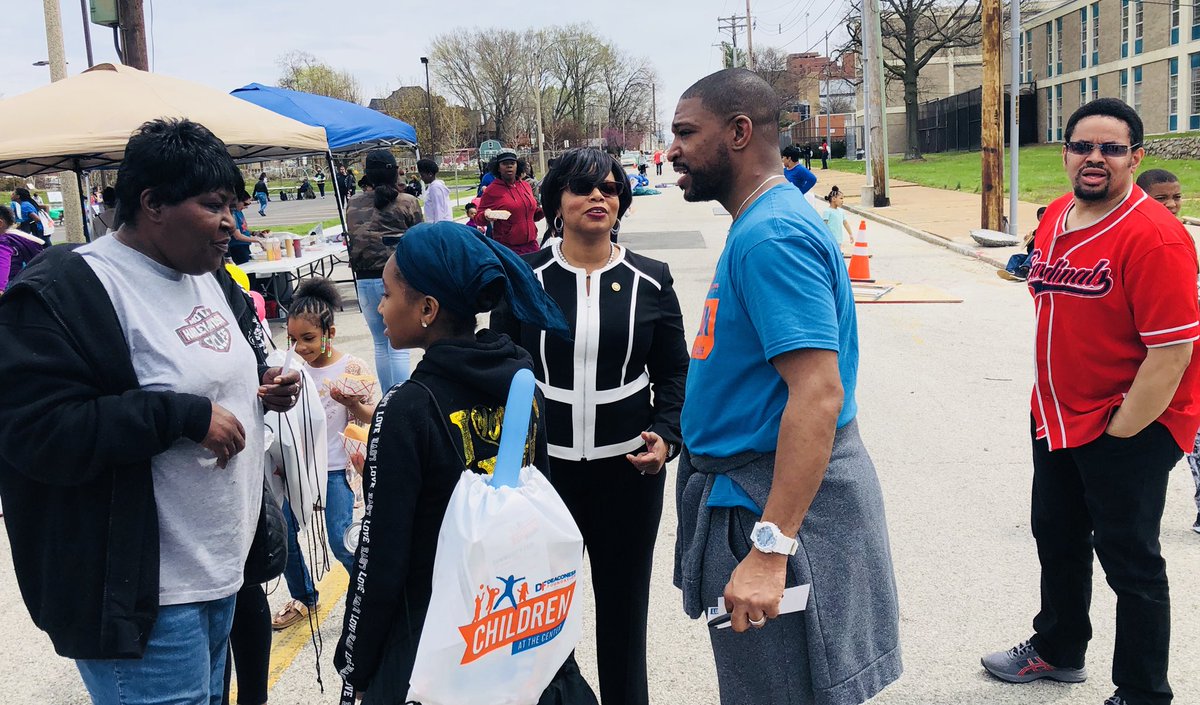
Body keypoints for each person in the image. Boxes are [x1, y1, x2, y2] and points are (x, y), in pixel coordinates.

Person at [0, 118, 301, 705]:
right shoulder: (67, 290)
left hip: (221, 576)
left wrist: (263, 387)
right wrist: (181, 417)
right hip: (147, 601)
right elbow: (36, 433)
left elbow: (222, 368)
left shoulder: (209, 275)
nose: (230, 225)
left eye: (233, 207)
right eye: (214, 206)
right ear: (152, 203)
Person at [668, 68, 901, 705]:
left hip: (771, 505)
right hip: (750, 492)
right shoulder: (761, 220)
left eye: (686, 133)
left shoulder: (772, 234)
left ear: (739, 133)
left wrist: (770, 550)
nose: (671, 150)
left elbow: (818, 394)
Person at [981, 99, 1200, 705]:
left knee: (1130, 562)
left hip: (1128, 421)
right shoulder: (1056, 215)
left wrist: (1123, 431)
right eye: (1083, 146)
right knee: (1057, 534)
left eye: (1110, 148)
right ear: (1066, 153)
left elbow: (1172, 354)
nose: (1094, 158)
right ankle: (1058, 648)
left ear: (1136, 156)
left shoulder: (1157, 237)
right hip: (1055, 411)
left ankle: (1142, 693)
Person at [333, 221, 571, 705]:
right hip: (508, 632)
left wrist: (354, 662)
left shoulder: (407, 407)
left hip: (430, 645)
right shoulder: (523, 383)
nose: (379, 307)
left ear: (426, 309)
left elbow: (381, 554)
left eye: (387, 293)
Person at [493, 147, 689, 705]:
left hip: (628, 474)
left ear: (622, 201)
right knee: (536, 621)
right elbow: (499, 363)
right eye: (582, 188)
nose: (598, 196)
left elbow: (675, 371)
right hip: (543, 479)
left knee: (624, 620)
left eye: (608, 187)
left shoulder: (651, 280)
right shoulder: (526, 277)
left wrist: (666, 435)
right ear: (556, 201)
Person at [271, 278, 375, 631]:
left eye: (309, 338)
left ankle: (371, 596)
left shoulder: (352, 368)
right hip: (295, 470)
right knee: (281, 536)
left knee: (341, 539)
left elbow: (374, 419)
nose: (300, 348)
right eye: (293, 339)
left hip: (334, 470)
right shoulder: (287, 368)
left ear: (330, 332)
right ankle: (304, 596)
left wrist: (354, 404)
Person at [1136, 169, 1200, 534]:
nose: (1172, 205)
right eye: (1162, 199)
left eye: (1176, 197)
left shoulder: (1181, 237)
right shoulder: (1141, 238)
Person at [345, 149, 424, 392]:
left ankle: (388, 397)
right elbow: (421, 239)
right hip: (397, 280)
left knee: (380, 343)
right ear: (395, 172)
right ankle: (400, 398)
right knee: (398, 346)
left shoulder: (353, 204)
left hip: (365, 280)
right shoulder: (408, 202)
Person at [472, 150, 544, 255]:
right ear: (498, 167)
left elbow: (532, 216)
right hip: (508, 249)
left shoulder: (526, 186)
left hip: (532, 245)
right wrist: (486, 216)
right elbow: (478, 219)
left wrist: (546, 210)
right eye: (504, 163)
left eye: (512, 163)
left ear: (517, 166)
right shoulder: (492, 190)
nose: (509, 166)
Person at [0, 204, 44, 294]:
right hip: (17, 281)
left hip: (8, 285)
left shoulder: (3, 242)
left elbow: (2, 264)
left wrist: (0, 288)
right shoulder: (14, 239)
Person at [229, 190, 271, 266]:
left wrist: (255, 233)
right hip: (237, 247)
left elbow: (243, 229)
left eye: (248, 204)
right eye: (245, 204)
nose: (246, 207)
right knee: (248, 269)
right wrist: (258, 240)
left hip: (244, 245)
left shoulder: (239, 211)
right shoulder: (233, 214)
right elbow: (238, 236)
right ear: (237, 201)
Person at [417, 158, 452, 223]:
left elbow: (439, 210)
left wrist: (437, 229)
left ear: (430, 174)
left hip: (439, 226)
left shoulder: (435, 188)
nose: (421, 178)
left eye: (422, 175)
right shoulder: (432, 186)